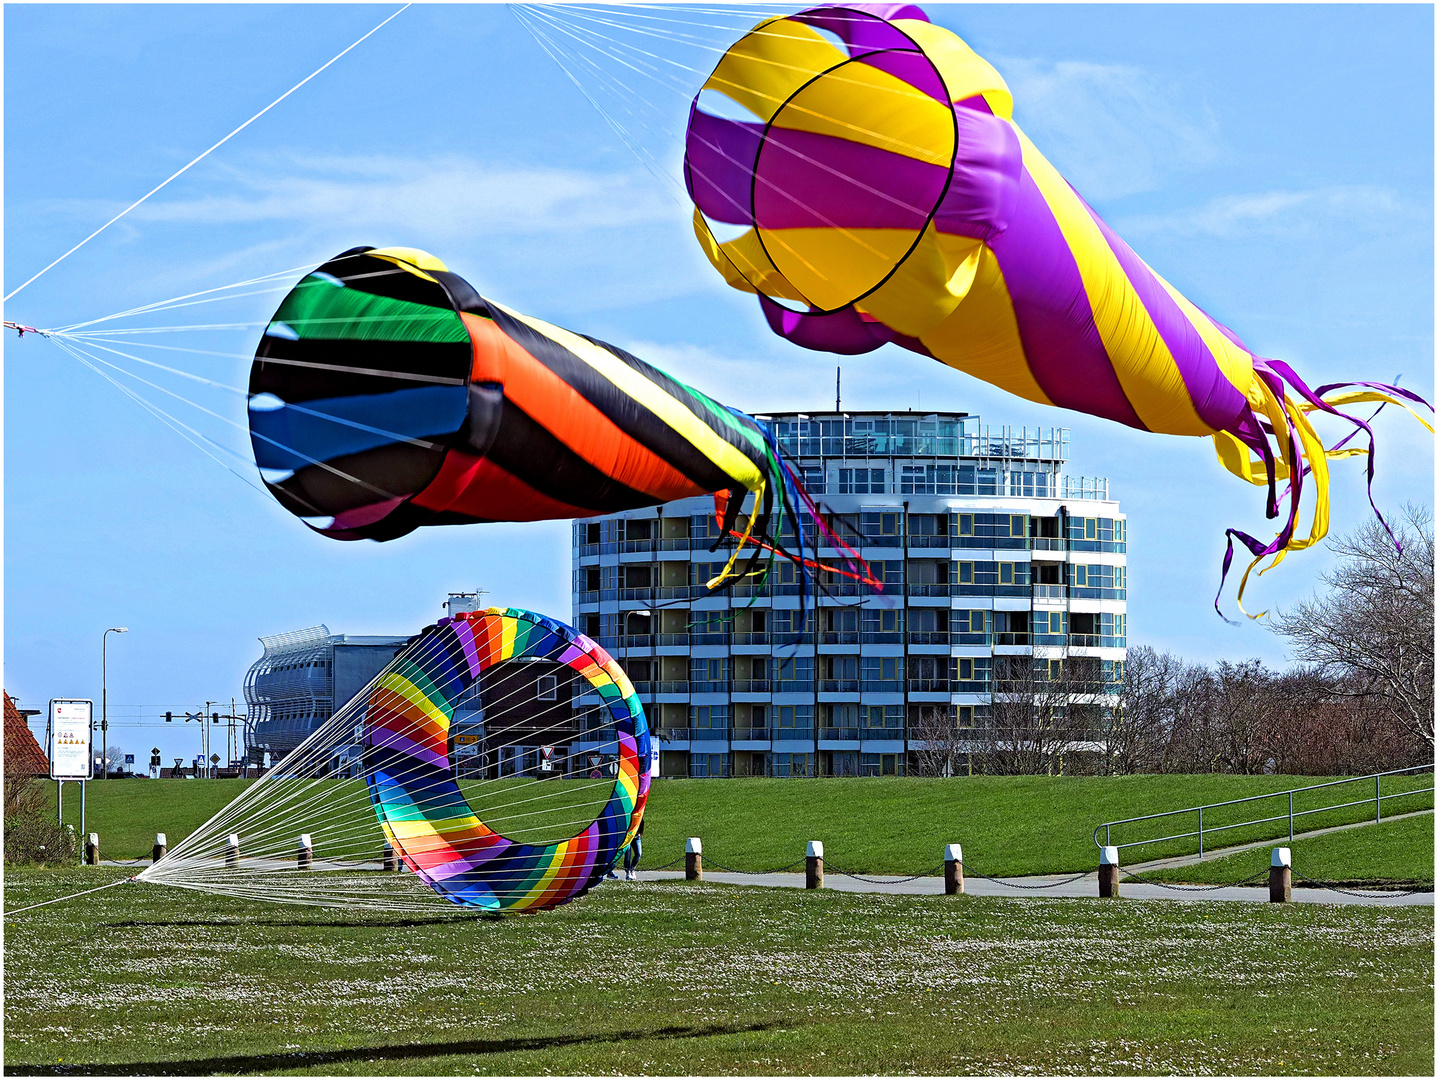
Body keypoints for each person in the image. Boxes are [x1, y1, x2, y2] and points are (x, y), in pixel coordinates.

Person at [623, 816, 645, 880]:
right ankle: (628, 873)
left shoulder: (638, 815)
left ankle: (632, 869)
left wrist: (640, 833)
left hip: (636, 837)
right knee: (628, 855)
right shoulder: (628, 815)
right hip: (628, 837)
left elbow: (641, 822)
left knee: (638, 853)